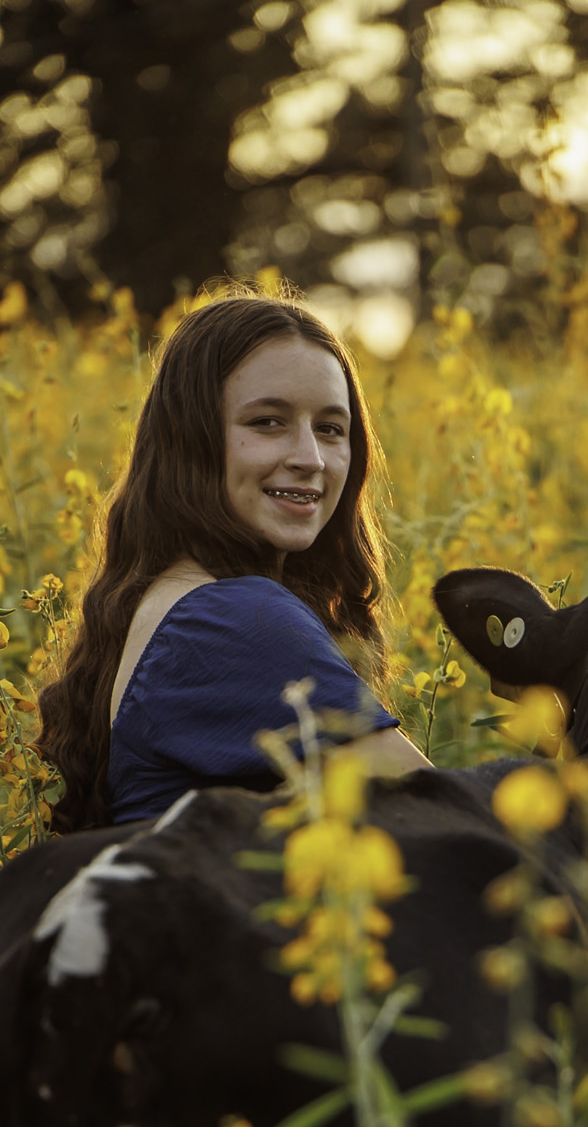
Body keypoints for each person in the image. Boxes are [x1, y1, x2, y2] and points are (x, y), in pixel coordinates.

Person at [36, 290, 427, 833]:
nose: (310, 458)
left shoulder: (170, 599)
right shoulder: (232, 617)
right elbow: (449, 826)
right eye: (268, 421)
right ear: (191, 439)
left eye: (331, 429)